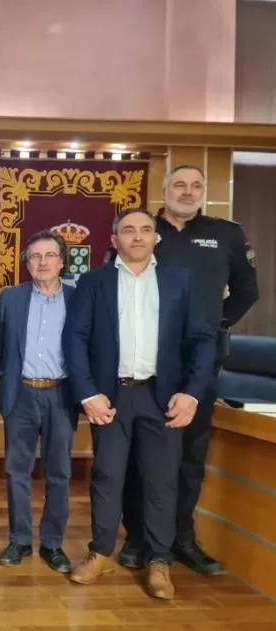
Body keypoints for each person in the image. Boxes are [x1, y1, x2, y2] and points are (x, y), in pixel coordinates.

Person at [63, 208, 215, 600]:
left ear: (155, 238)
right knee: (107, 476)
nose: (137, 236)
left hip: (162, 398)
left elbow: (202, 340)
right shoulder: (94, 282)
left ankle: (160, 560)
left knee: (161, 481)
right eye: (128, 230)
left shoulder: (180, 281)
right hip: (111, 397)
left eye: (145, 230)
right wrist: (88, 393)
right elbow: (75, 339)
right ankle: (100, 552)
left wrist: (191, 393)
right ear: (114, 240)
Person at [119, 165, 259, 576]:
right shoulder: (142, 231)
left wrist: (213, 326)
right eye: (179, 184)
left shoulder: (226, 234)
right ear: (165, 191)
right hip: (147, 362)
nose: (188, 191)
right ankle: (137, 538)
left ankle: (181, 538)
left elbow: (247, 290)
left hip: (200, 363)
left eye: (196, 185)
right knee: (138, 454)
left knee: (191, 455)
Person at [0, 230, 78, 573]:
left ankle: (53, 544)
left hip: (62, 394)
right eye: (35, 256)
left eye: (50, 255)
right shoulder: (10, 298)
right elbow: (1, 347)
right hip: (21, 394)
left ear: (62, 261)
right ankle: (19, 540)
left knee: (59, 472)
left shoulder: (77, 298)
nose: (42, 262)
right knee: (17, 471)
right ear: (27, 263)